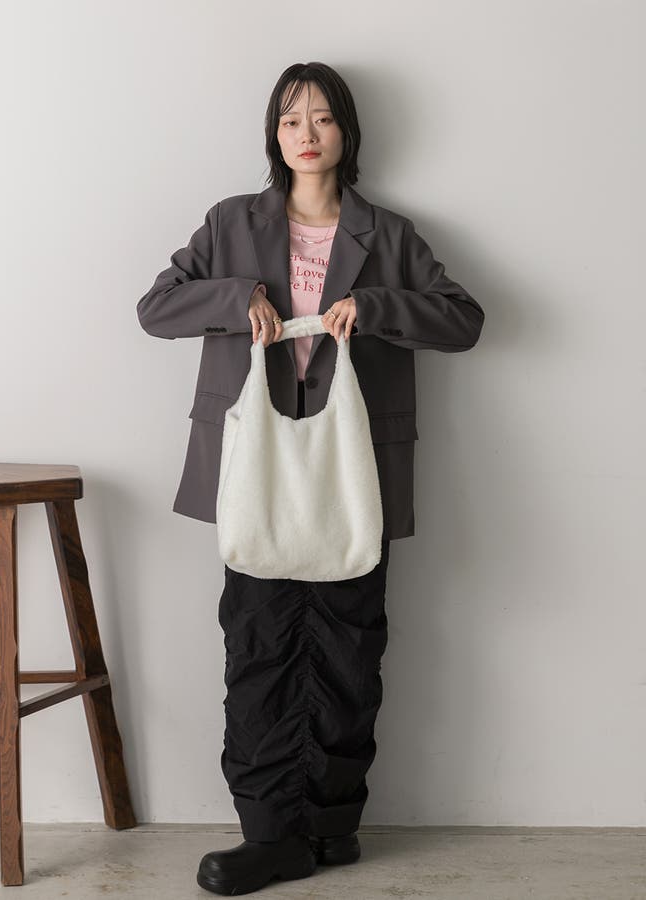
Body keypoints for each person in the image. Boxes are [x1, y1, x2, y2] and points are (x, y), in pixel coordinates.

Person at [137, 61, 485, 896]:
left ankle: (331, 827)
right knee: (259, 644)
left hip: (352, 471)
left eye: (322, 118)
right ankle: (270, 834)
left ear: (346, 132)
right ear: (274, 132)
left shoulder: (387, 234)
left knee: (349, 647)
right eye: (291, 119)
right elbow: (156, 308)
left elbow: (463, 320)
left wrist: (379, 307)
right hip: (255, 468)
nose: (306, 133)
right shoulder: (232, 223)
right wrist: (237, 298)